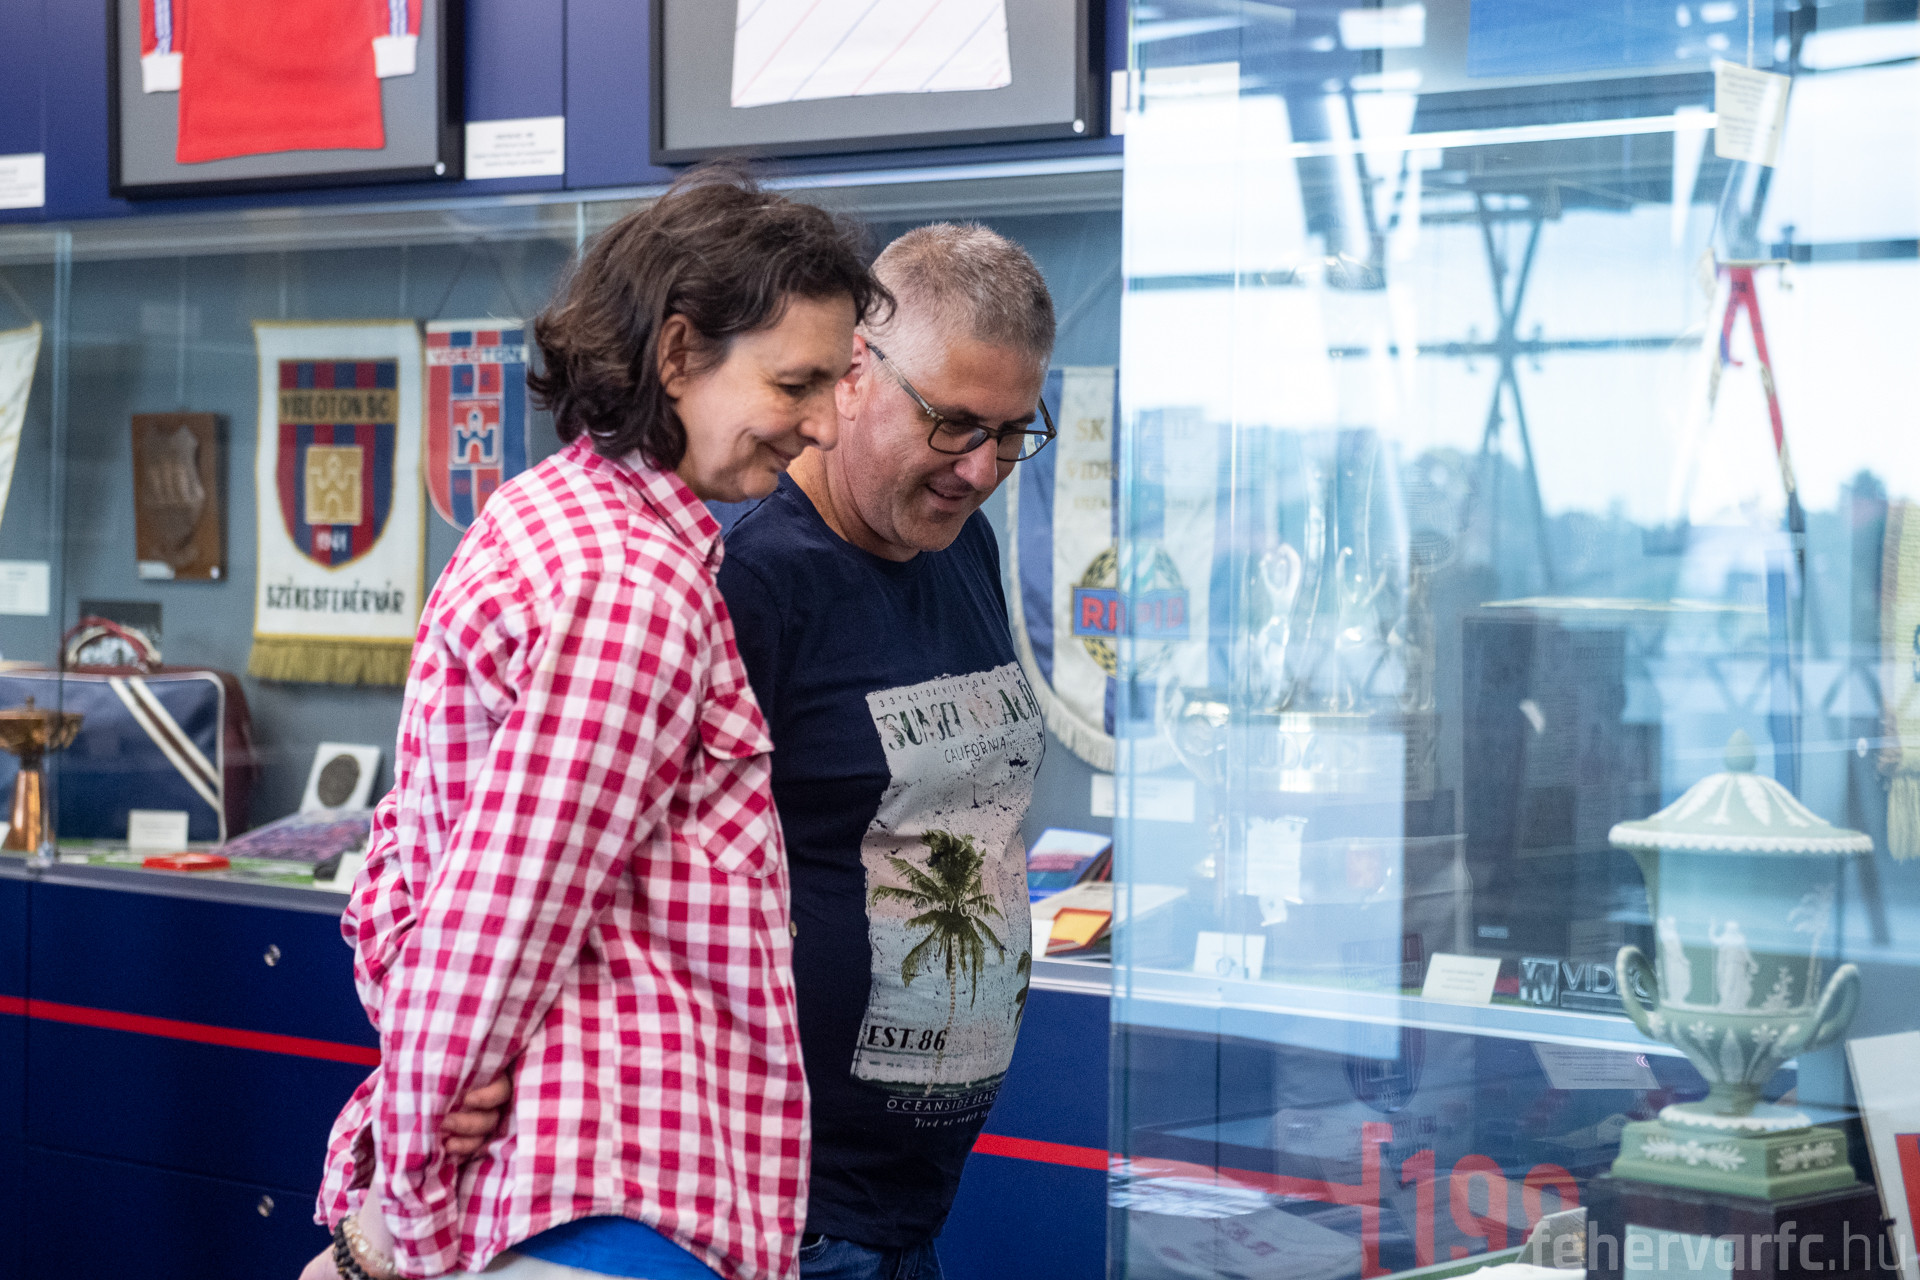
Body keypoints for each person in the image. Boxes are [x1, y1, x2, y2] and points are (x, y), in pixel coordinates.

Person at [301, 169, 890, 1280]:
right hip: (603, 1200)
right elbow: (497, 918)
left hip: (565, 1187)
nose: (821, 425)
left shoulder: (548, 512)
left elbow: (416, 861)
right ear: (678, 353)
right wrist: (387, 1236)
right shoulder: (631, 587)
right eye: (796, 383)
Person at [715, 223, 1057, 1280]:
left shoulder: (959, 543)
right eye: (953, 423)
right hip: (787, 1210)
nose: (981, 468)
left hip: (910, 1206)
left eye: (1013, 432)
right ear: (855, 371)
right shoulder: (749, 579)